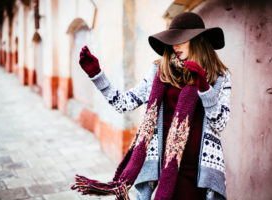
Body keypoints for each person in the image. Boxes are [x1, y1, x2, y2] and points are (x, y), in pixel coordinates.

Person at [71, 12, 231, 200]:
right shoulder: (160, 71)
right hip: (165, 165)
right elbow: (124, 103)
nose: (175, 45)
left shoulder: (220, 77)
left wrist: (205, 89)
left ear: (198, 40)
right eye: (173, 40)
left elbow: (220, 123)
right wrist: (97, 75)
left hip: (197, 170)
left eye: (182, 39)